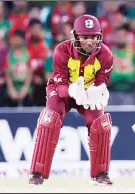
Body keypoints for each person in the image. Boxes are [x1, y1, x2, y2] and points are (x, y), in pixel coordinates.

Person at [28, 14, 114, 186]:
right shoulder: (62, 50)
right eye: (85, 37)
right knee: (50, 120)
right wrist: (72, 90)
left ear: (100, 35)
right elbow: (59, 85)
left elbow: (101, 82)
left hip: (88, 93)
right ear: (75, 36)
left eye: (94, 37)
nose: (90, 42)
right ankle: (37, 173)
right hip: (62, 90)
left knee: (100, 124)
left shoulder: (106, 54)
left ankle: (100, 174)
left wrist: (99, 91)